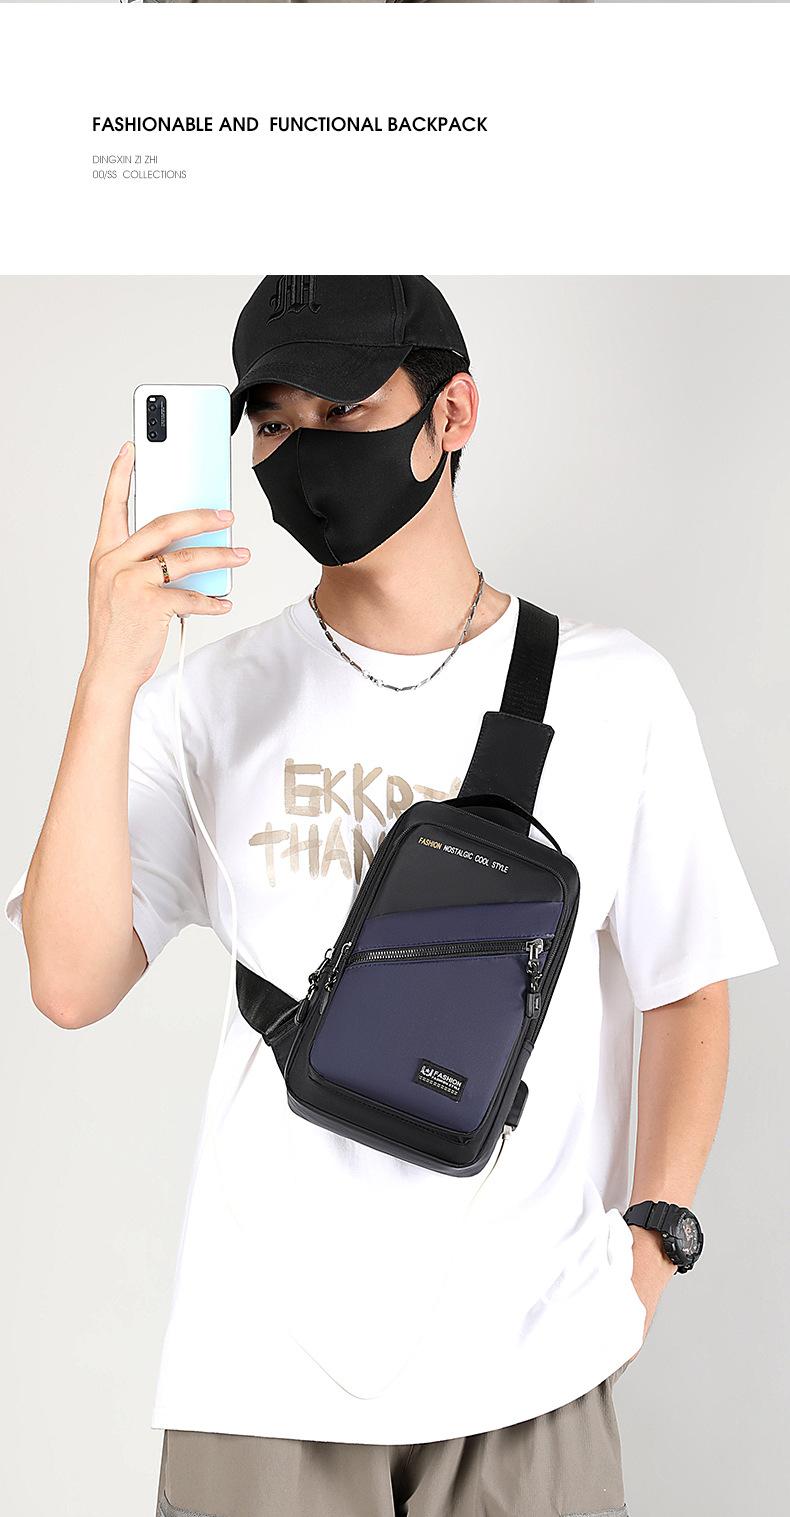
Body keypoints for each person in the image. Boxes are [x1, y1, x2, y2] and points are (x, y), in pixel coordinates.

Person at [6, 275, 777, 1517]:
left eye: (344, 407)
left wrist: (650, 1247)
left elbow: (687, 987)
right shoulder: (206, 701)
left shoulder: (616, 691)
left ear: (450, 412)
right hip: (260, 1373)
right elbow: (67, 979)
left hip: (532, 1364)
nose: (303, 447)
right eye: (272, 420)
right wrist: (111, 673)